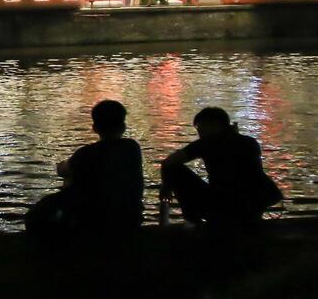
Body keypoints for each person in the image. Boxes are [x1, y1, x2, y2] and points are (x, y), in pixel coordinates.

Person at [26, 99, 144, 237]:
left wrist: (63, 164)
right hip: (130, 217)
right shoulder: (132, 148)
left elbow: (62, 170)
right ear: (123, 127)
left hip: (94, 219)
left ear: (95, 128)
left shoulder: (86, 153)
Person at [159, 107, 282, 226]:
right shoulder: (250, 142)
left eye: (200, 127)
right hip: (253, 209)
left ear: (213, 125)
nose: (199, 132)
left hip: (221, 207)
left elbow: (169, 162)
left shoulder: (207, 143)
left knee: (174, 169)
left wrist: (167, 186)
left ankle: (193, 220)